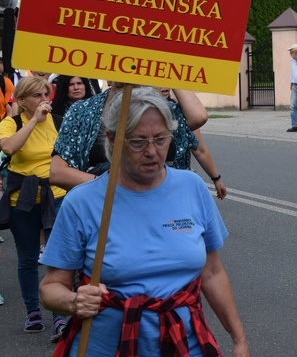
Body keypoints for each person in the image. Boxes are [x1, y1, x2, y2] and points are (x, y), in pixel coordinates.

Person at [39, 87, 250, 356]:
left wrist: (239, 340)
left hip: (185, 344)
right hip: (107, 346)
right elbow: (50, 288)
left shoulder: (192, 187)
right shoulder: (83, 202)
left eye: (161, 139)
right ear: (113, 140)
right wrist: (73, 301)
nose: (152, 151)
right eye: (138, 142)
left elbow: (212, 272)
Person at [0, 76, 68, 340]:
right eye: (38, 96)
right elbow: (9, 148)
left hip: (56, 196)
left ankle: (59, 318)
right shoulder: (11, 123)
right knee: (28, 258)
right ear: (23, 100)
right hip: (23, 200)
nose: (44, 101)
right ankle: (33, 313)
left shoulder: (59, 121)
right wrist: (32, 121)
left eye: (46, 95)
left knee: (56, 259)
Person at [50, 83, 207, 190]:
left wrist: (170, 65)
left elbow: (198, 116)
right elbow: (58, 173)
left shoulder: (162, 109)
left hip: (158, 209)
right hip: (103, 211)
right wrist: (117, 188)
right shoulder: (82, 111)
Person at [157, 87, 227, 200]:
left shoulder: (179, 112)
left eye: (167, 80)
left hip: (180, 184)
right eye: (157, 80)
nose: (164, 86)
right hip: (154, 186)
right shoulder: (137, 113)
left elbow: (200, 150)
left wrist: (216, 179)